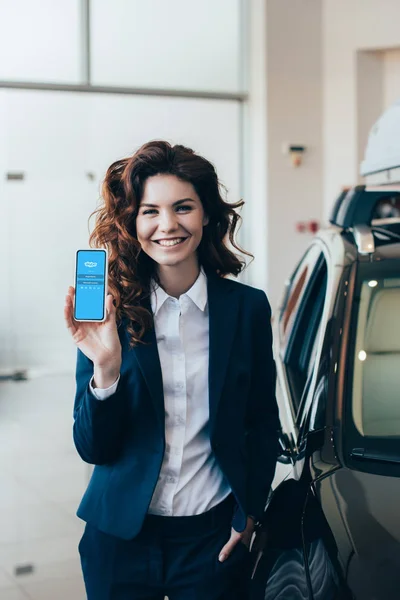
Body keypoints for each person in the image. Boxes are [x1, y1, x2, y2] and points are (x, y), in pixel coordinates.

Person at [64, 140, 279, 600]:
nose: (168, 225)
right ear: (132, 223)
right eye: (150, 211)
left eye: (183, 207)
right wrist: (106, 367)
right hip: (119, 539)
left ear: (206, 216)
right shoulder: (110, 314)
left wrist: (250, 513)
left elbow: (262, 421)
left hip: (211, 540)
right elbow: (92, 447)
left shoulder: (246, 309)